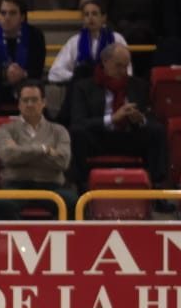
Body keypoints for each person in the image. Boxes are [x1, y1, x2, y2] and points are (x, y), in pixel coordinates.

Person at [69, 43, 168, 197]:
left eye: (126, 66)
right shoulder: (84, 87)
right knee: (77, 132)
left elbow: (151, 117)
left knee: (157, 131)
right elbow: (78, 121)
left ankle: (158, 189)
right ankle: (81, 188)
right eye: (118, 66)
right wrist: (112, 119)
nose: (123, 71)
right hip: (99, 138)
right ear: (105, 62)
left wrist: (140, 119)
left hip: (128, 136)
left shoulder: (138, 85)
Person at [0, 82, 78, 221]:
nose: (30, 104)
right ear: (19, 104)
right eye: (25, 100)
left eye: (35, 100)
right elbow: (7, 156)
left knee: (74, 204)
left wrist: (20, 152)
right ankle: (20, 242)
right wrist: (44, 150)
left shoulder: (59, 131)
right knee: (1, 205)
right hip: (16, 185)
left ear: (44, 102)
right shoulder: (6, 129)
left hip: (51, 186)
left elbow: (63, 162)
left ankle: (54, 241)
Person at [0, 0, 47, 144]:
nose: (7, 17)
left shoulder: (35, 35)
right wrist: (5, 73)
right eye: (3, 13)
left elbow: (37, 68)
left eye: (12, 13)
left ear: (22, 17)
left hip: (25, 82)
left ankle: (41, 136)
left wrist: (23, 74)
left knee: (35, 88)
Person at [49, 0, 129, 86]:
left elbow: (128, 72)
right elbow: (54, 73)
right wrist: (77, 76)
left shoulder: (117, 39)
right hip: (83, 90)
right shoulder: (74, 42)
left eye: (94, 14)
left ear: (103, 17)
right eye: (86, 14)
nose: (90, 18)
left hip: (111, 87)